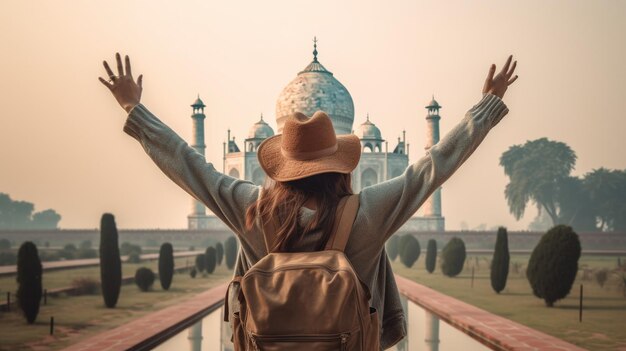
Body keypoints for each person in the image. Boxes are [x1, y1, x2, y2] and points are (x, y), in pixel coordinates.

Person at [99, 52, 518, 349]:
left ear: (280, 162)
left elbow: (190, 165)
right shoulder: (367, 213)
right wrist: (487, 106)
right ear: (341, 161)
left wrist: (135, 109)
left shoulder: (252, 209)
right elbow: (433, 167)